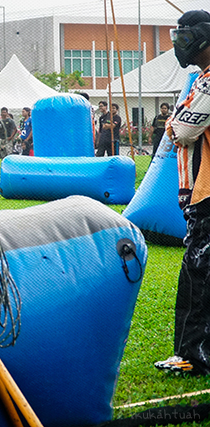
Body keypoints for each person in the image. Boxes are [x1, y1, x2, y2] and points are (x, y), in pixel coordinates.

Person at [154, 9, 210, 375]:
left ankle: (192, 355)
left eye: (184, 36)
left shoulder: (208, 82)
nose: (179, 44)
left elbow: (183, 131)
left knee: (197, 273)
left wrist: (174, 124)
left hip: (207, 194)